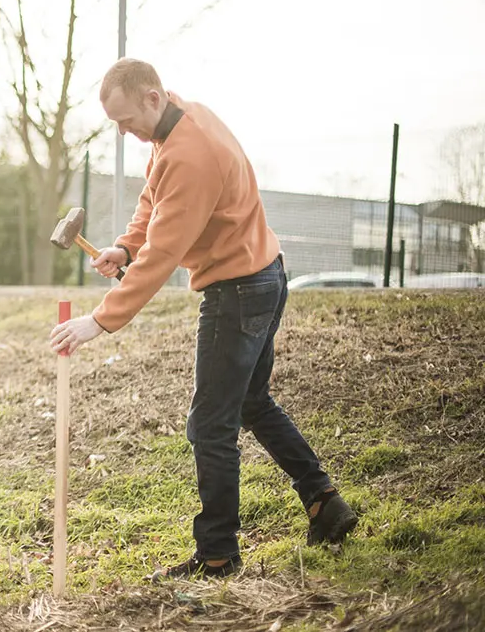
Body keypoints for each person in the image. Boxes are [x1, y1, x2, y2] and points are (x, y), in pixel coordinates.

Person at [49, 58, 358, 580]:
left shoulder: (192, 155)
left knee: (210, 426)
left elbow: (164, 253)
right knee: (253, 403)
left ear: (152, 97)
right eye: (115, 124)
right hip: (265, 274)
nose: (124, 132)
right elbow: (154, 199)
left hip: (237, 290)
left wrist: (98, 322)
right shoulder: (180, 122)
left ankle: (217, 555)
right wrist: (124, 247)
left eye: (126, 120)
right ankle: (325, 504)